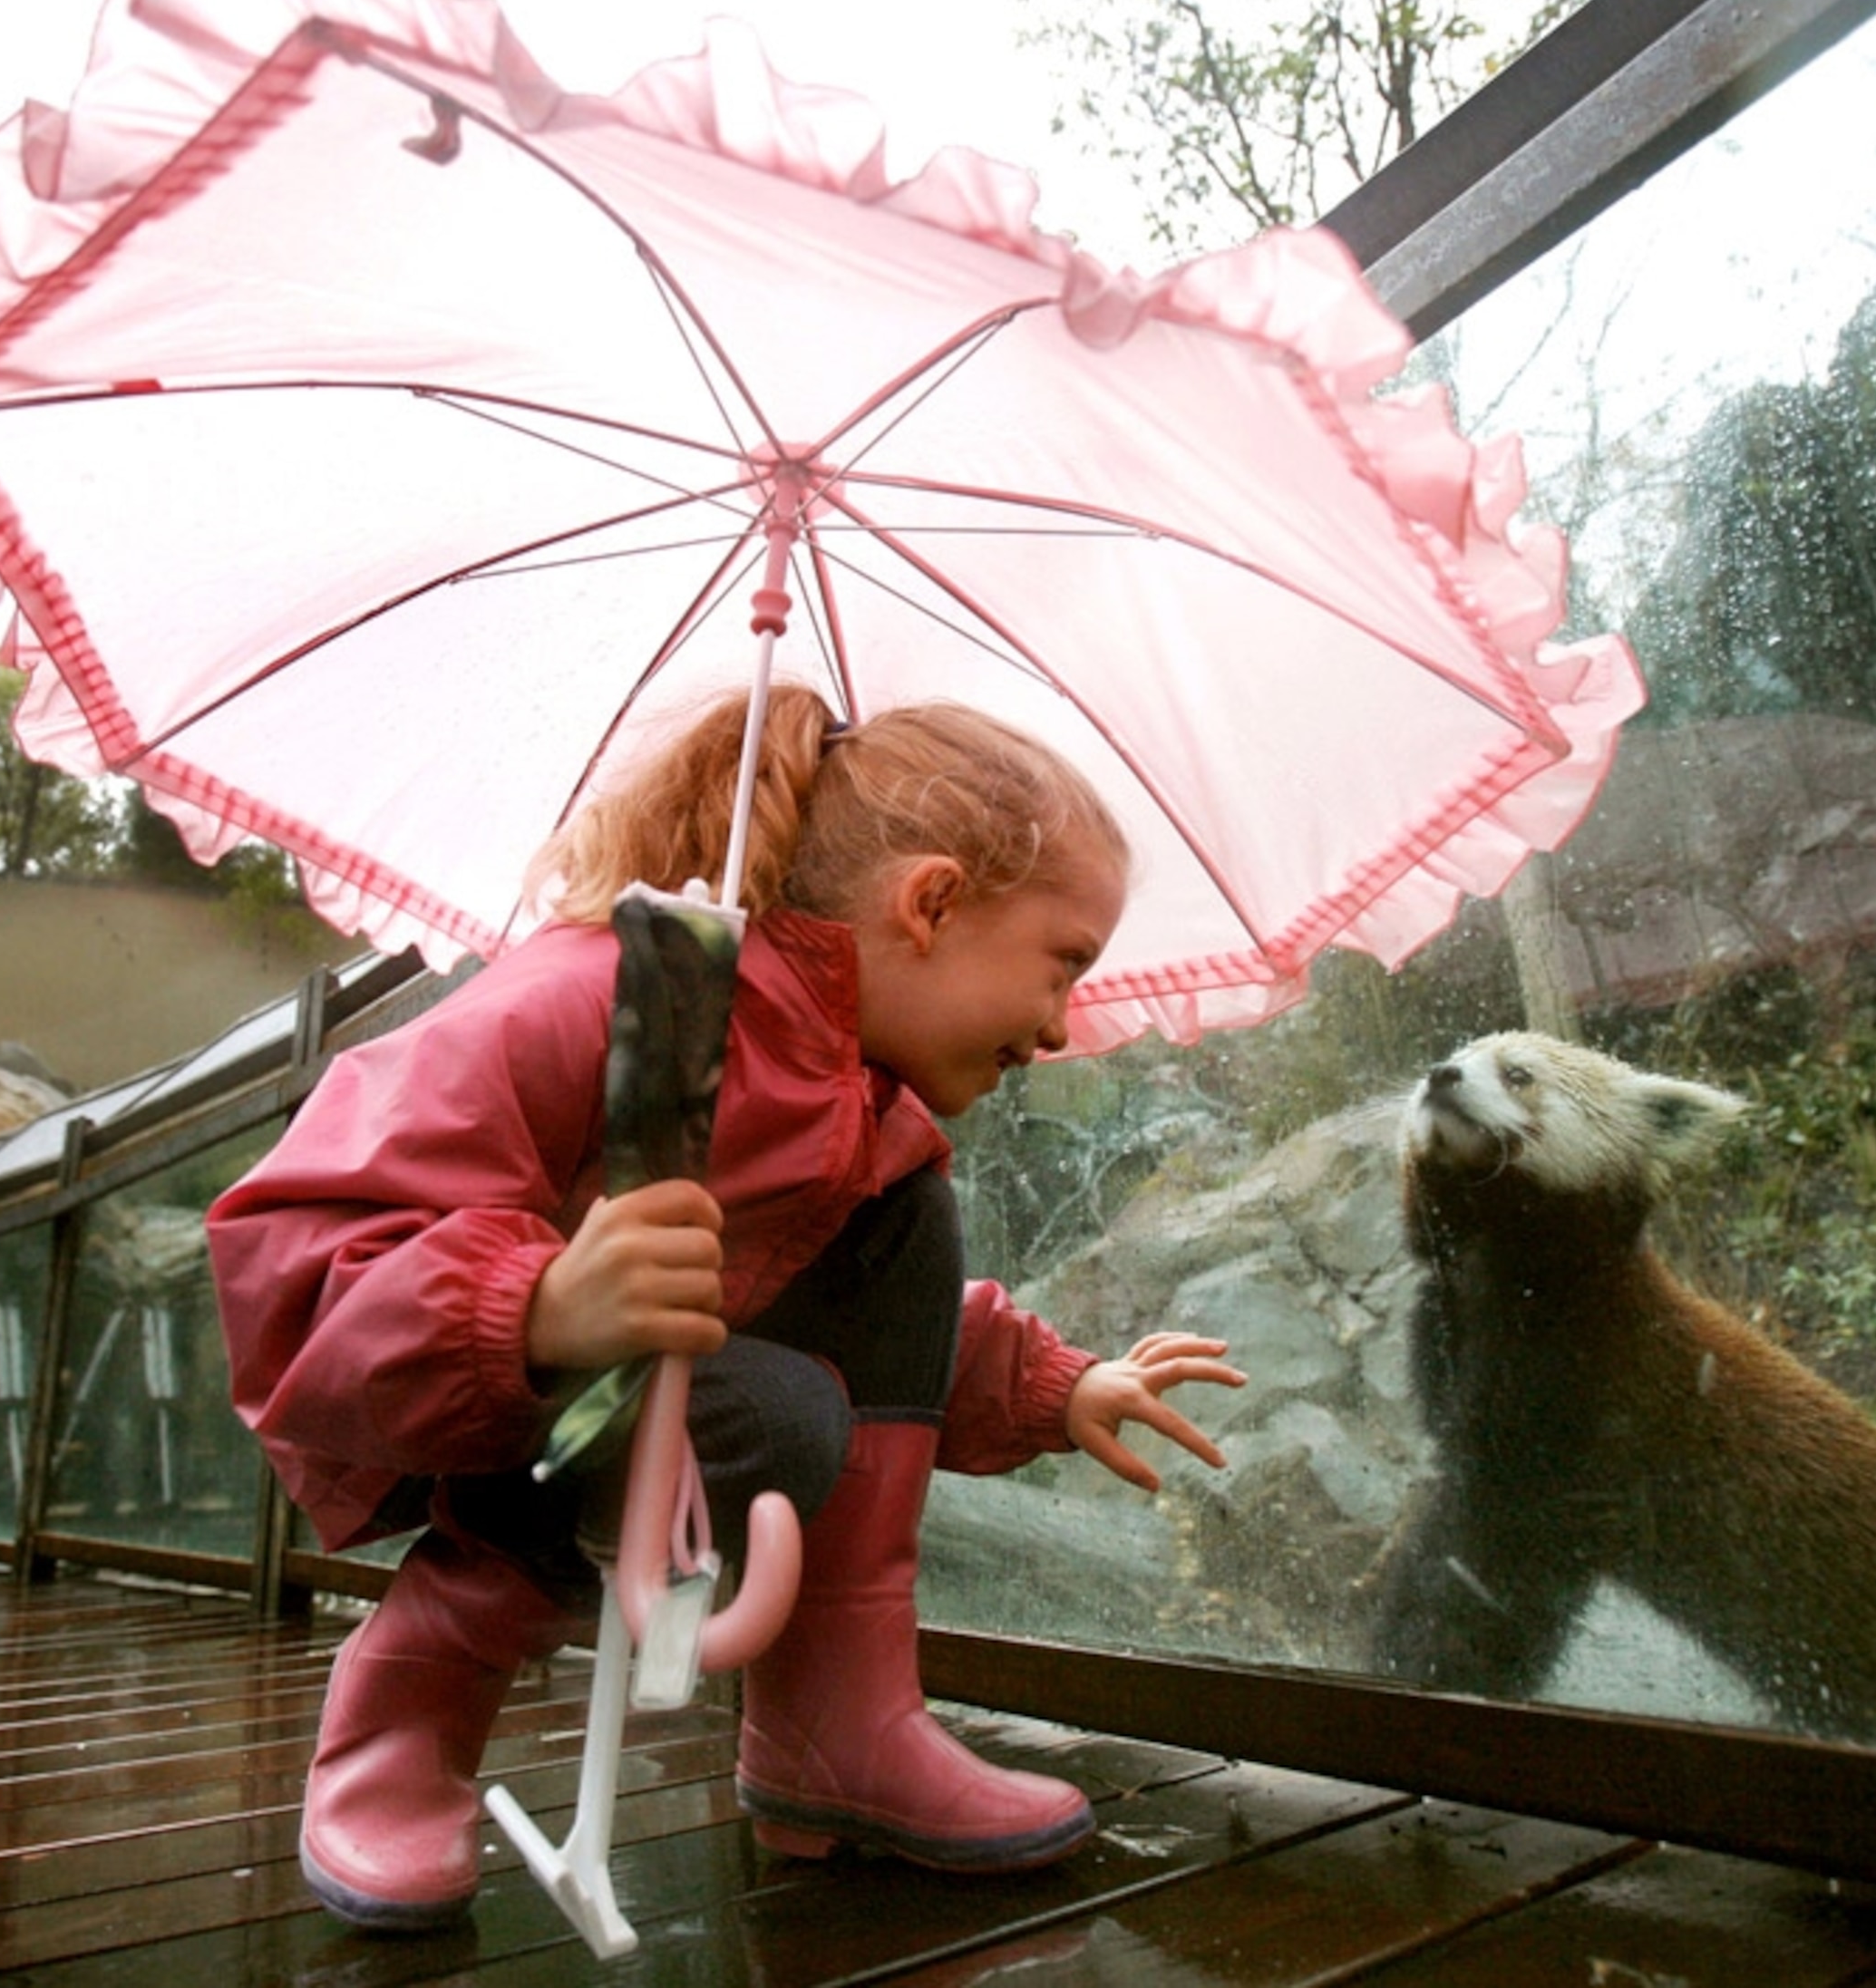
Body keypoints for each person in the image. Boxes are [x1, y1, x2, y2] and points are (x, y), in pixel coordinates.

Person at [205, 684, 1245, 1933]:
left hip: (672, 1398)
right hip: (483, 1420)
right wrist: (531, 1302)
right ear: (933, 901)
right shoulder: (590, 997)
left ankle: (839, 1729)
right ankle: (410, 1703)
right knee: (776, 1413)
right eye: (1064, 963)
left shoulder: (863, 1105)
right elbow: (297, 1253)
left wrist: (1049, 1383)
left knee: (901, 1212)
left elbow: (862, 1323)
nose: (1063, 1023)